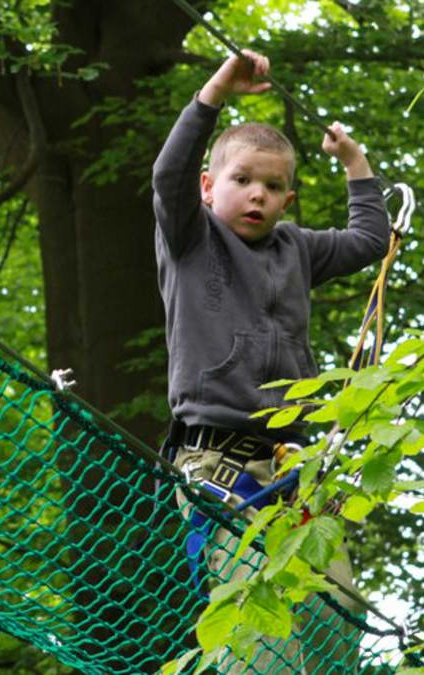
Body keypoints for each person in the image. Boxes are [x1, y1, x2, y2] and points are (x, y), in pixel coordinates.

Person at [152, 50, 390, 673]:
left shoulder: (297, 249)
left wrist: (355, 163)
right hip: (217, 462)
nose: (258, 194)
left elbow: (369, 240)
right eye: (242, 180)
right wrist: (215, 94)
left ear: (288, 198)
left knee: (337, 611)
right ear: (209, 187)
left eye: (274, 185)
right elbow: (168, 175)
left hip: (295, 464)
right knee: (263, 636)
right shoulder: (189, 239)